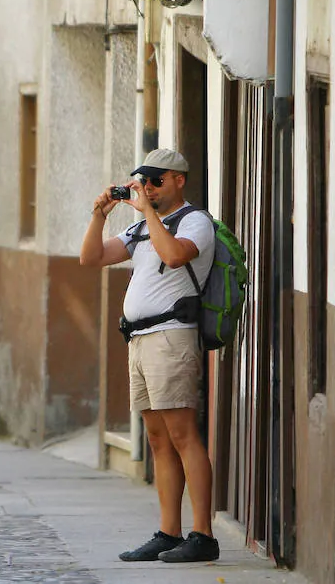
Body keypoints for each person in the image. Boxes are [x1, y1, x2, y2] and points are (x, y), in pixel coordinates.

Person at [79, 148, 219, 563]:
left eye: (157, 180)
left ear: (178, 180)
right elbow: (91, 258)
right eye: (143, 181)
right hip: (140, 341)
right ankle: (169, 531)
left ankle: (203, 535)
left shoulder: (195, 221)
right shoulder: (142, 227)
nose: (149, 189)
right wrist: (100, 213)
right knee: (158, 439)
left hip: (172, 338)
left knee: (183, 435)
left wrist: (150, 214)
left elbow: (175, 256)